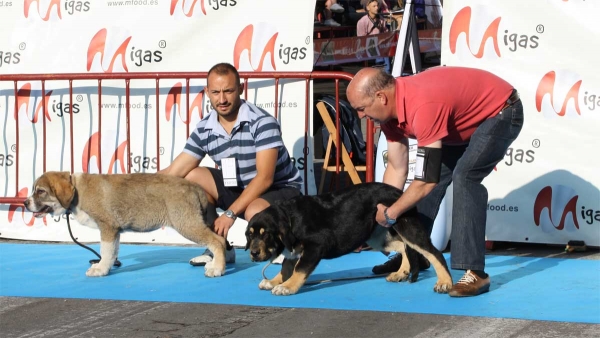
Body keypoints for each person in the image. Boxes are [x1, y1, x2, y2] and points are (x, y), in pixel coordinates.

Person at [346, 66, 524, 297]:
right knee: (421, 188)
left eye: (361, 109)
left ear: (381, 97)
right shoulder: (390, 112)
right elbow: (396, 168)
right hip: (460, 125)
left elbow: (426, 181)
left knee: (464, 178)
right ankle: (415, 254)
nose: (360, 116)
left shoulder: (423, 106)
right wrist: (376, 211)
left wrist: (390, 215)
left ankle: (475, 273)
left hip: (501, 111)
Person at [160, 62, 303, 266]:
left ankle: (287, 247)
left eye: (228, 91)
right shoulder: (204, 128)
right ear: (207, 92)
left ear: (241, 89)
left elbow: (265, 179)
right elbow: (174, 171)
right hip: (241, 187)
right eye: (216, 92)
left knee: (255, 212)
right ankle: (220, 249)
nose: (222, 99)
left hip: (281, 189)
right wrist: (135, 188)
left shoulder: (262, 122)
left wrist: (229, 214)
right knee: (191, 178)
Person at [356, 0, 392, 74]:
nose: (377, 8)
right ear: (368, 8)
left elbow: (386, 33)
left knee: (385, 48)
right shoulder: (362, 22)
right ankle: (383, 68)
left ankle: (387, 71)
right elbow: (361, 39)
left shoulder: (381, 19)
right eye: (374, 6)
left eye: (377, 6)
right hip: (368, 45)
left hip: (380, 44)